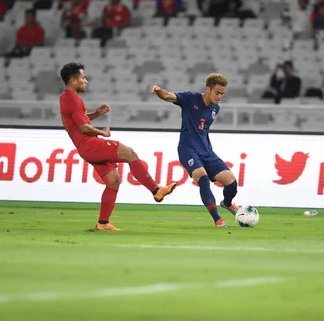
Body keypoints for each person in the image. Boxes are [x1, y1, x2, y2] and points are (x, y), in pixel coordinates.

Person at [58, 63, 177, 231]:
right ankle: (156, 190)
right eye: (83, 77)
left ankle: (103, 223)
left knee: (113, 182)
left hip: (84, 147)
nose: (86, 81)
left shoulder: (66, 98)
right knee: (130, 154)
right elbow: (83, 128)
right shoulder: (72, 99)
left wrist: (96, 114)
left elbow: (77, 121)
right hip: (90, 144)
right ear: (73, 80)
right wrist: (103, 133)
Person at [149, 74, 240, 227]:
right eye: (217, 93)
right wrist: (158, 90)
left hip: (206, 151)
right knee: (203, 179)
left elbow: (202, 130)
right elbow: (167, 96)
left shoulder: (215, 109)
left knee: (231, 183)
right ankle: (217, 220)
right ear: (208, 89)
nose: (219, 97)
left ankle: (227, 203)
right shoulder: (190, 98)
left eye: (222, 94)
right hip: (188, 149)